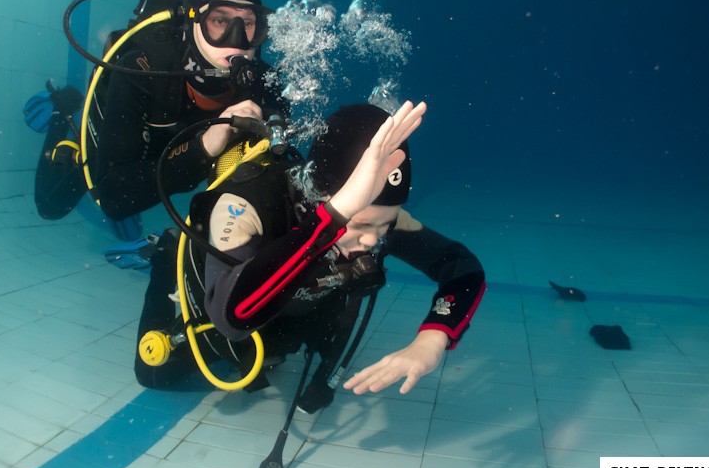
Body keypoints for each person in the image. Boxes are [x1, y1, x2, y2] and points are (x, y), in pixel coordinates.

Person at [134, 101, 486, 409]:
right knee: (154, 374)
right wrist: (334, 218)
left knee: (273, 353)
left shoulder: (379, 219)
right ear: (319, 196)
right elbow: (232, 318)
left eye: (384, 227)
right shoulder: (247, 204)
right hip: (217, 299)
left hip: (281, 319)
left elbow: (463, 269)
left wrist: (432, 340)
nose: (370, 242)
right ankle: (163, 250)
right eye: (360, 224)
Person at [94, 0, 288, 220]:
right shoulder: (144, 69)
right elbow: (112, 198)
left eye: (248, 24)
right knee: (51, 206)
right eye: (220, 21)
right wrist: (204, 147)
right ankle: (61, 125)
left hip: (168, 170)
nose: (236, 39)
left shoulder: (265, 83)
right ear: (194, 22)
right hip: (119, 156)